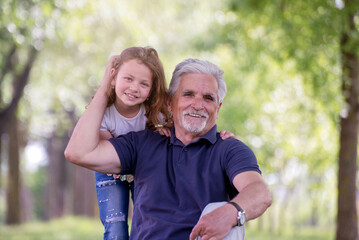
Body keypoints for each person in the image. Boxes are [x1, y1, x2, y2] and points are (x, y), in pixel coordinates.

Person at [65, 57, 272, 240]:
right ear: (169, 103)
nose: (198, 105)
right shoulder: (142, 143)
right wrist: (105, 89)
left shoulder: (229, 149)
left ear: (217, 109)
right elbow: (78, 152)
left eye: (208, 98)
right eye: (188, 94)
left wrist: (230, 213)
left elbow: (260, 193)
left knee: (220, 211)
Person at [92, 46, 172, 240]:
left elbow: (181, 128)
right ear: (113, 77)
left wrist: (161, 131)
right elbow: (108, 151)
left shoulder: (152, 110)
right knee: (115, 227)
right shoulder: (104, 112)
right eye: (128, 79)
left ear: (152, 88)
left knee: (148, 220)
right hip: (109, 171)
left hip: (142, 170)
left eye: (144, 84)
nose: (134, 88)